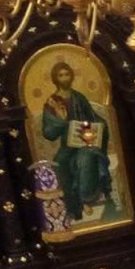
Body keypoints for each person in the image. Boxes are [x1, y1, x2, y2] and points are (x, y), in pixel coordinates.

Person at [40, 61, 113, 221]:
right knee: (60, 163)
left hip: (86, 143)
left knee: (85, 159)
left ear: (72, 76)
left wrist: (100, 127)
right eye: (61, 75)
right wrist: (62, 120)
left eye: (67, 74)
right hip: (67, 145)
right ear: (55, 79)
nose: (64, 78)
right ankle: (74, 207)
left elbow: (93, 118)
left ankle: (86, 199)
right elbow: (49, 133)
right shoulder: (52, 102)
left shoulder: (79, 97)